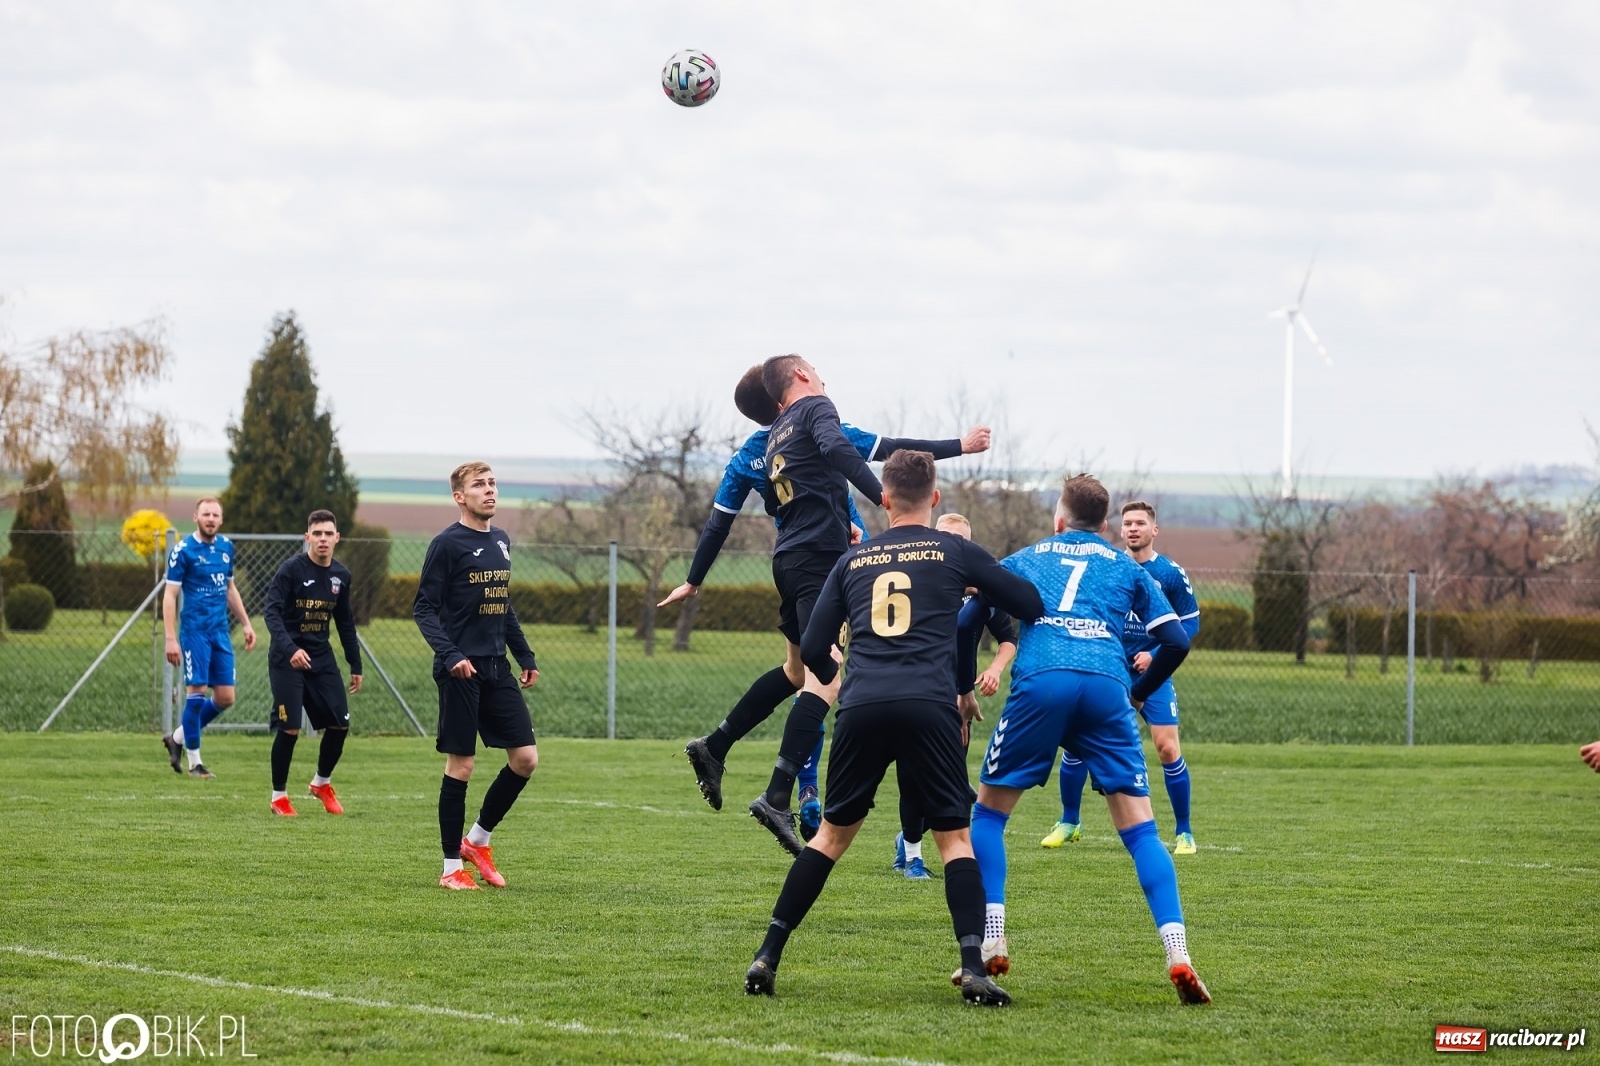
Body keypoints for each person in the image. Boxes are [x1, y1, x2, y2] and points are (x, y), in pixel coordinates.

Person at [743, 451, 1043, 1006]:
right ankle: (973, 969)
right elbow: (1029, 601)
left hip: (861, 705)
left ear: (882, 499)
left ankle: (767, 954)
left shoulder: (852, 561)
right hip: (930, 706)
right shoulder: (954, 548)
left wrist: (845, 677)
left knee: (830, 838)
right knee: (954, 840)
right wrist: (984, 584)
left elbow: (811, 646)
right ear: (934, 498)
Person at [665, 358, 989, 851]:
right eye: (814, 370)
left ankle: (715, 745)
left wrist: (693, 580)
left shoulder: (760, 449)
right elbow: (879, 450)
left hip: (789, 560)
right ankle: (777, 794)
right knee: (829, 676)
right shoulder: (818, 417)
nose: (822, 378)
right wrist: (958, 448)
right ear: (788, 391)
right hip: (819, 562)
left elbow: (720, 523)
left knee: (796, 673)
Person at [969, 474, 1211, 1005]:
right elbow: (1174, 639)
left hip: (1043, 678)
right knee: (1144, 833)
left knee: (987, 816)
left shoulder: (1027, 557)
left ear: (1059, 518)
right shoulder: (1126, 564)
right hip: (1106, 684)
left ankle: (992, 939)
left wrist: (961, 674)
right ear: (1105, 526)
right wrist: (1136, 691)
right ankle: (1179, 954)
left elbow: (974, 612)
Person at [1046, 500, 1202, 853]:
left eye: (1140, 523)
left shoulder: (1170, 573)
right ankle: (1070, 821)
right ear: (1119, 528)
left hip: (1154, 672)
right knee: (1077, 744)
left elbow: (1190, 622)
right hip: (1110, 670)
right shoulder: (1109, 566)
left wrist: (1157, 654)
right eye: (1127, 523)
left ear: (1154, 530)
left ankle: (1184, 832)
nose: (1133, 528)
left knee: (1166, 747)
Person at [413, 462, 540, 891]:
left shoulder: (501, 541)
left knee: (525, 760)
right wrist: (450, 655)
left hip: (495, 668)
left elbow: (501, 605)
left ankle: (477, 840)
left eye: (492, 484)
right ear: (459, 497)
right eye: (479, 486)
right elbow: (424, 608)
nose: (489, 491)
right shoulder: (446, 544)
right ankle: (451, 868)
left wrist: (524, 654)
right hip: (459, 671)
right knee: (462, 765)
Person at [892, 512, 1017, 881]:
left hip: (958, 703)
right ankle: (913, 858)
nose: (951, 546)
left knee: (950, 787)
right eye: (945, 537)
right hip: (914, 693)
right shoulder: (913, 584)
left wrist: (994, 669)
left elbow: (1008, 638)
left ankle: (906, 839)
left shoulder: (981, 594)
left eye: (959, 541)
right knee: (914, 777)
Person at [261, 509, 363, 817]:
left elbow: (345, 622)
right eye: (316, 533)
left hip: (321, 658)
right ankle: (279, 796)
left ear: (336, 538)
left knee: (340, 723)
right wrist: (291, 648)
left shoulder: (341, 576)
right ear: (307, 537)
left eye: (327, 534)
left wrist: (355, 664)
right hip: (286, 659)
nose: (322, 539)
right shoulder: (291, 570)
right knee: (290, 728)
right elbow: (271, 613)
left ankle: (321, 783)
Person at [160, 497, 257, 778]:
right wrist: (170, 638)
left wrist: (247, 624)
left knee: (226, 697)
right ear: (196, 517)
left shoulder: (226, 547)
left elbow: (230, 589)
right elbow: (170, 595)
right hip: (194, 633)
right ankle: (195, 763)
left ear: (221, 520)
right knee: (197, 693)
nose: (211, 519)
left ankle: (177, 737)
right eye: (206, 514)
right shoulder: (183, 551)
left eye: (215, 515)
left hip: (220, 632)